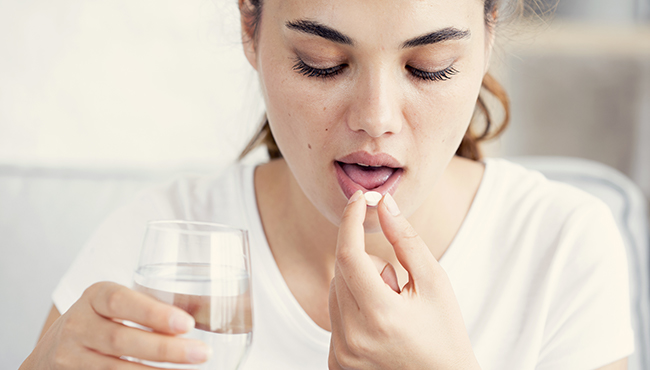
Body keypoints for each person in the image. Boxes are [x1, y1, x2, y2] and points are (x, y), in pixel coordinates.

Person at [20, 0, 634, 369]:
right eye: (322, 62)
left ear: (488, 35)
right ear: (250, 28)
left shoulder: (560, 245)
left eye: (429, 67)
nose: (376, 117)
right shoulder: (157, 246)